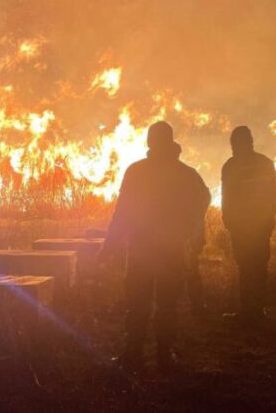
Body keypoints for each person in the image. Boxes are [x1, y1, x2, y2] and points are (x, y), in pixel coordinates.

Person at [99, 121, 209, 372]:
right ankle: (162, 354)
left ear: (150, 142)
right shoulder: (186, 173)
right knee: (165, 304)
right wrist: (191, 234)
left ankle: (135, 354)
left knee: (139, 303)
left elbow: (122, 213)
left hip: (143, 249)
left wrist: (110, 246)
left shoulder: (137, 171)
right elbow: (202, 201)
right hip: (169, 250)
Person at [221, 126, 276, 325]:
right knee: (258, 266)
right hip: (259, 224)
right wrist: (269, 216)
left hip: (241, 226)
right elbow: (275, 193)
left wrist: (228, 219)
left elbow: (227, 196)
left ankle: (248, 311)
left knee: (246, 267)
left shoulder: (230, 165)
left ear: (235, 143)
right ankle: (257, 310)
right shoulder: (264, 163)